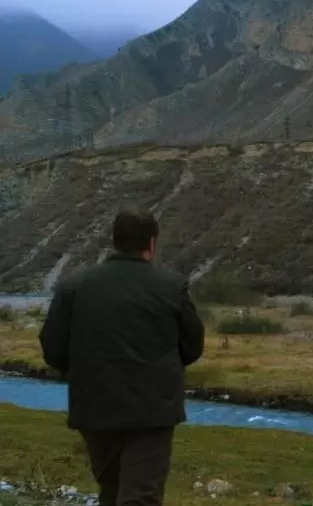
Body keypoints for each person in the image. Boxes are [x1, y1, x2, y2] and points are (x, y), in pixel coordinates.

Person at [39, 207, 205, 506]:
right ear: (151, 243)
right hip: (152, 411)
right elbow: (192, 346)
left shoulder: (73, 287)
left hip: (94, 406)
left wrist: (84, 372)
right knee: (140, 496)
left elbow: (53, 349)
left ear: (115, 240)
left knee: (110, 491)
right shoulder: (171, 287)